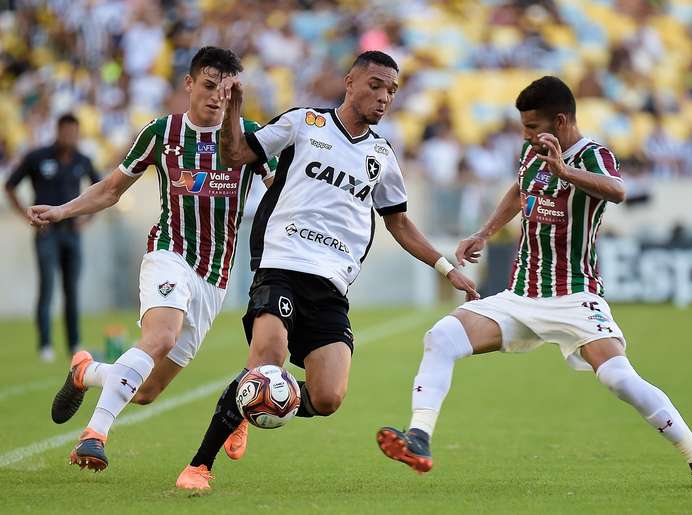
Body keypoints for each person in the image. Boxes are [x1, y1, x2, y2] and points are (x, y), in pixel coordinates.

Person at [376, 76, 692, 489]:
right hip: (521, 295)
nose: (525, 135)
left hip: (574, 296)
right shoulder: (533, 153)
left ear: (560, 121)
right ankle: (419, 437)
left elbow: (617, 191)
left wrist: (565, 170)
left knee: (618, 377)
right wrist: (484, 233)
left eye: (532, 127)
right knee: (441, 337)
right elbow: (519, 189)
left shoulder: (594, 155)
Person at [175, 50, 479, 491]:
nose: (383, 97)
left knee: (328, 397)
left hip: (332, 286)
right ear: (349, 81)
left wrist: (445, 266)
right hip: (283, 263)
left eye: (391, 90)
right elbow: (237, 152)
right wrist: (237, 106)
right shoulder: (304, 124)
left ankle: (250, 399)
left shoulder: (382, 155)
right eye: (375, 85)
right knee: (268, 359)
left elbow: (398, 220)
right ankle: (200, 465)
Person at [27, 47, 276, 472]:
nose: (217, 97)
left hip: (214, 279)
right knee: (159, 337)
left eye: (228, 90)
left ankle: (86, 372)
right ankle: (94, 435)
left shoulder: (250, 138)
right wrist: (63, 210)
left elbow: (283, 196)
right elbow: (110, 189)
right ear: (189, 84)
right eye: (210, 86)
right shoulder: (162, 133)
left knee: (145, 392)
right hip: (170, 254)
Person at [5, 114, 101, 362]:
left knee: (72, 290)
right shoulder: (38, 157)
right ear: (58, 131)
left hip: (72, 233)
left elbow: (101, 190)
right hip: (46, 232)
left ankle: (73, 343)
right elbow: (10, 185)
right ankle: (45, 344)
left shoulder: (83, 160)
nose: (70, 137)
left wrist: (87, 219)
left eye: (74, 132)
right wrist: (23, 214)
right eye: (66, 132)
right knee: (47, 287)